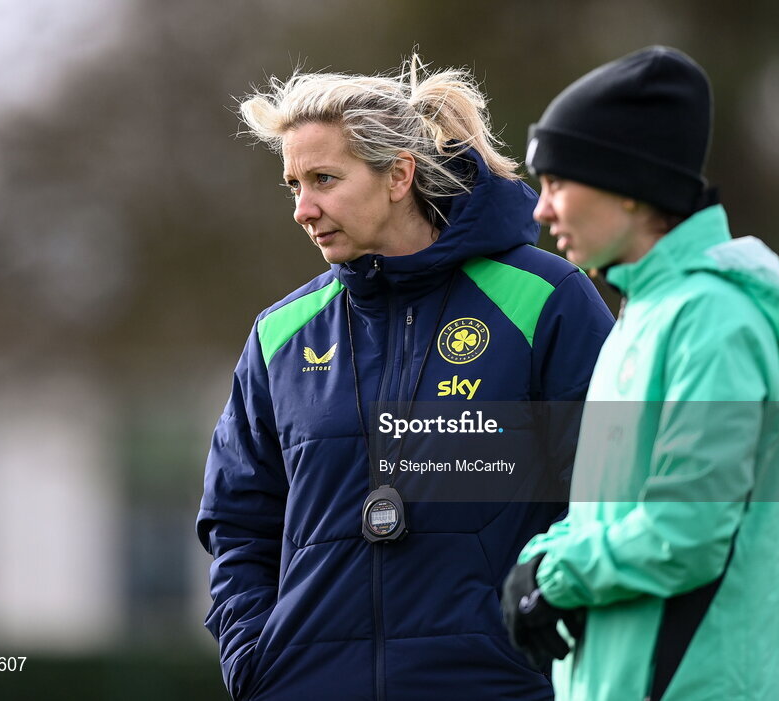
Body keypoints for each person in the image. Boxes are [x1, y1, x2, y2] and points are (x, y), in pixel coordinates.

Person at [197, 55, 615, 700]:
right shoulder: (278, 336)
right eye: (293, 185)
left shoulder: (545, 298)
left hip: (497, 688)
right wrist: (254, 657)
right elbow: (238, 522)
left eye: (324, 179)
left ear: (398, 175)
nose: (303, 209)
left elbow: (609, 493)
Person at [501, 46, 779, 701]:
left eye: (556, 182)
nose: (542, 210)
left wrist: (558, 575)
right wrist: (537, 559)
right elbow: (607, 514)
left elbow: (686, 531)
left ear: (629, 189)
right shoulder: (644, 314)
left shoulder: (716, 320)